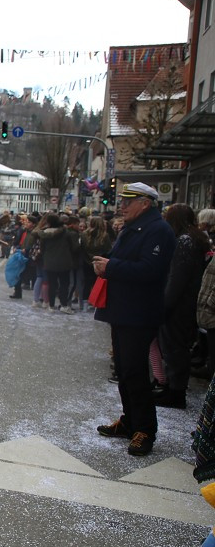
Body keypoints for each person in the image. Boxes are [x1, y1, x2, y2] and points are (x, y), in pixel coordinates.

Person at [93, 182, 177, 457]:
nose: (123, 205)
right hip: (124, 310)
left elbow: (150, 270)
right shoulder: (136, 227)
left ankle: (145, 429)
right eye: (122, 200)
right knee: (124, 371)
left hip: (139, 313)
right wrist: (107, 265)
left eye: (130, 201)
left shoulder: (159, 231)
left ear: (146, 203)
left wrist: (111, 266)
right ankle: (130, 422)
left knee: (135, 372)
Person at [156, 204, 210, 408]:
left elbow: (177, 278)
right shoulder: (194, 239)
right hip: (186, 301)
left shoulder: (184, 242)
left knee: (174, 346)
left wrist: (165, 304)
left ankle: (175, 391)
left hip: (179, 304)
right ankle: (172, 387)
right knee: (176, 346)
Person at [36, 213, 80, 312]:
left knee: (52, 284)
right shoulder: (66, 233)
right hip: (64, 261)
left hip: (49, 262)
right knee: (64, 284)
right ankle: (63, 304)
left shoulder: (44, 234)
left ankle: (51, 305)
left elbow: (42, 249)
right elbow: (74, 247)